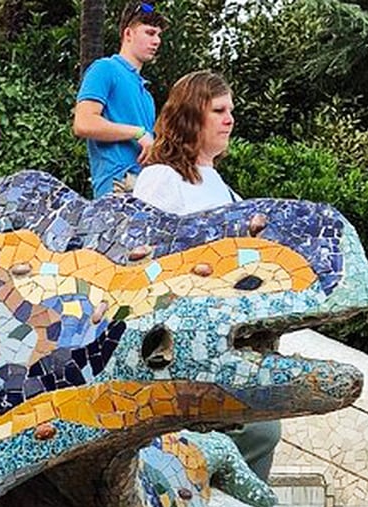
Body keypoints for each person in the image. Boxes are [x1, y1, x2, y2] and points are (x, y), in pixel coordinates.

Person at [133, 70, 281, 482]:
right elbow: (145, 256)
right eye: (218, 110)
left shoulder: (221, 185)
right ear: (189, 117)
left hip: (226, 334)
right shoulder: (162, 178)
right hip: (183, 341)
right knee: (260, 429)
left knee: (264, 427)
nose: (229, 119)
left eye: (230, 110)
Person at [73, 2, 168, 198]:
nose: (157, 41)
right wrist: (138, 133)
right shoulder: (105, 69)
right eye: (150, 33)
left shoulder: (147, 95)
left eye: (159, 35)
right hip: (118, 185)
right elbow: (83, 123)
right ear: (128, 34)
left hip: (147, 187)